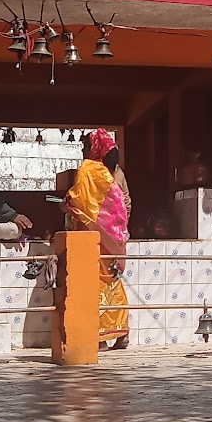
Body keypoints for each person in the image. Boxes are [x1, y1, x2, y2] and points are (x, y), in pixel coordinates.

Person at [65, 128, 130, 350]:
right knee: (114, 280)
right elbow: (125, 205)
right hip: (117, 236)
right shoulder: (117, 172)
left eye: (85, 147)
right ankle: (122, 334)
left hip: (93, 235)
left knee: (96, 284)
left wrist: (67, 203)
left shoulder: (88, 170)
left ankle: (100, 337)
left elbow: (80, 201)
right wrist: (120, 232)